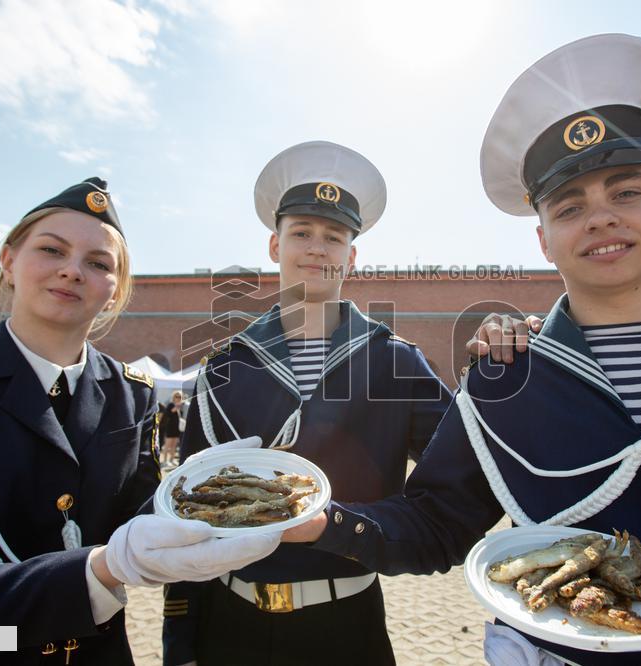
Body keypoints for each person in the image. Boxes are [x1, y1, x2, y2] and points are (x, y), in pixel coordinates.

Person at [284, 34, 641, 665]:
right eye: (570, 205)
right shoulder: (508, 378)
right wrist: (322, 522)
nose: (601, 218)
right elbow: (439, 523)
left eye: (626, 191)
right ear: (544, 240)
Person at [0, 178, 279, 665]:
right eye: (52, 250)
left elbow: (141, 524)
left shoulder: (131, 394)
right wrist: (100, 569)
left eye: (98, 263)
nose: (72, 271)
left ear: (115, 290)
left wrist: (207, 493)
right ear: (9, 261)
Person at [162, 141, 453, 666]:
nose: (317, 249)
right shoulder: (225, 364)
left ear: (353, 255)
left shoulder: (395, 363)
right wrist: (179, 645)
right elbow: (185, 508)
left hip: (345, 627)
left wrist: (340, 526)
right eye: (301, 233)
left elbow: (452, 494)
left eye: (334, 237)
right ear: (275, 246)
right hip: (227, 627)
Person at [160, 390, 187, 467]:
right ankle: (165, 461)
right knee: (168, 445)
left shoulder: (181, 406)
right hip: (170, 427)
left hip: (177, 428)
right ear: (173, 397)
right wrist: (178, 405)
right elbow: (171, 411)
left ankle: (171, 459)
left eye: (180, 397)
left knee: (174, 445)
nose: (178, 398)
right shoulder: (171, 405)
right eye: (177, 396)